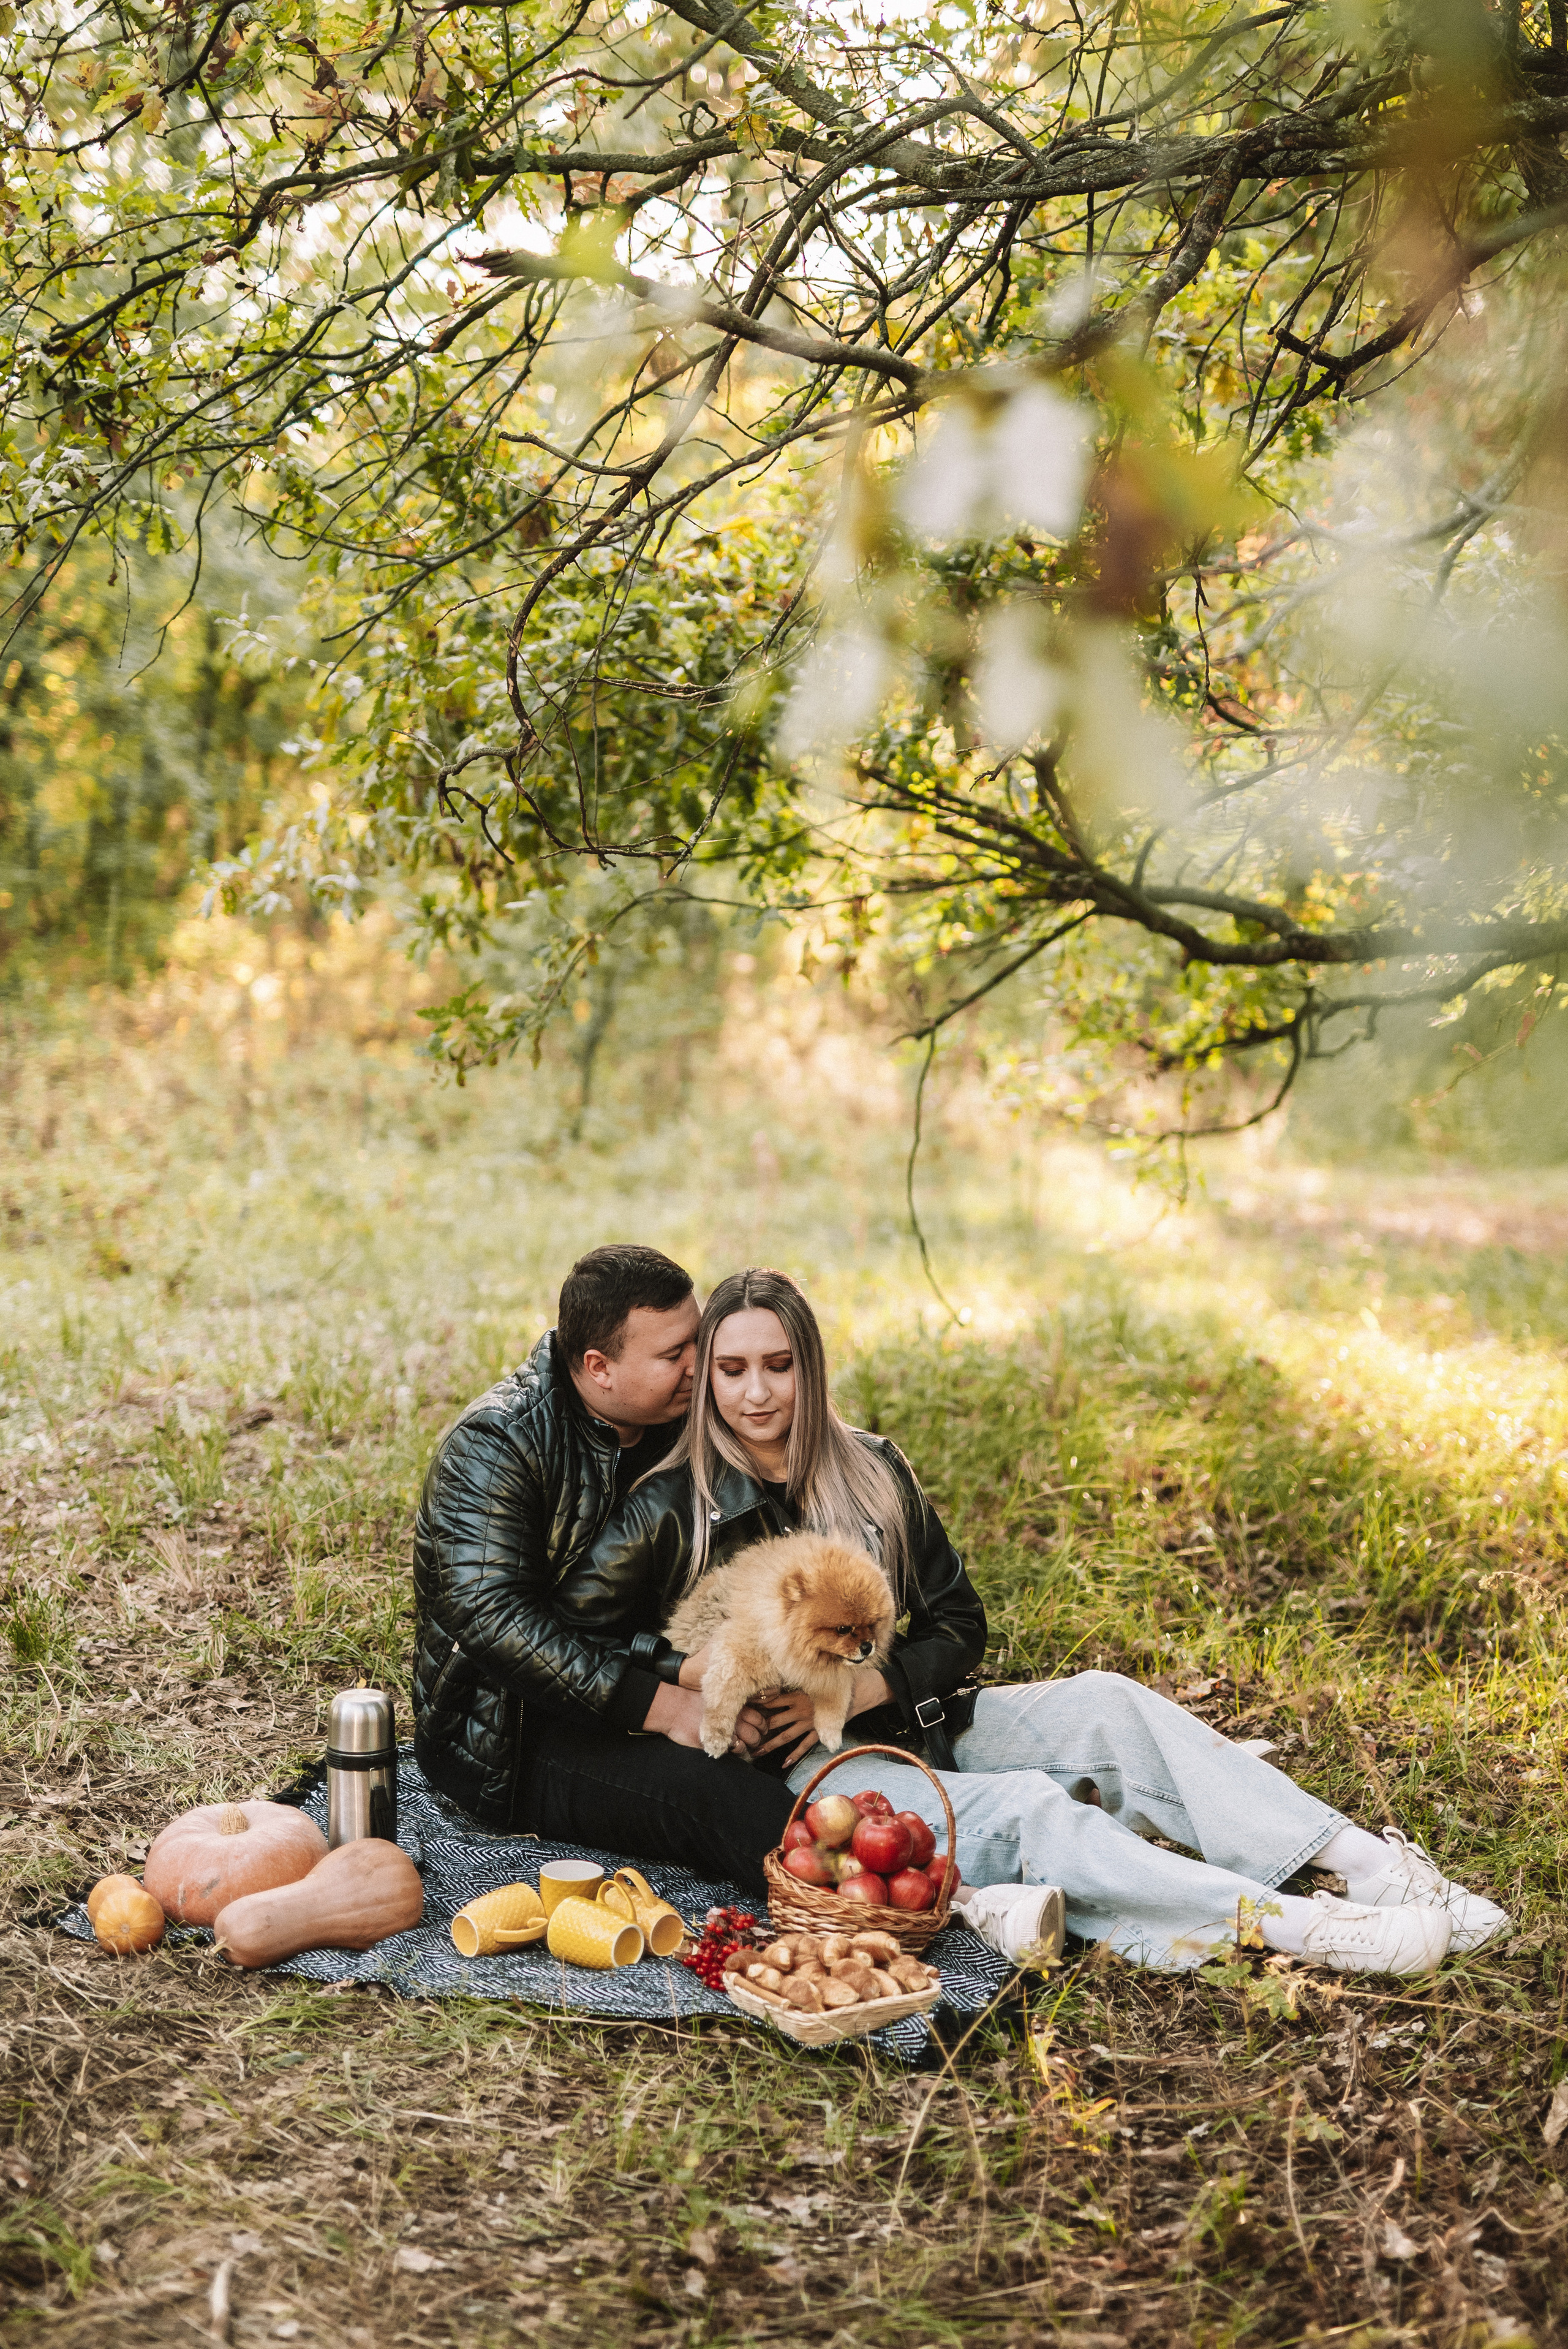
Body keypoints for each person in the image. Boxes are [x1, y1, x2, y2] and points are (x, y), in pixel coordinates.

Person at [586, 1267, 1512, 1976]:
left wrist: (875, 1682)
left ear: (809, 1366)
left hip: (913, 1715)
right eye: (733, 1370)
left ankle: (1367, 1863)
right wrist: (692, 1682)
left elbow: (958, 1622)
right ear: (707, 1377)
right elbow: (587, 1643)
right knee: (1030, 1811)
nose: (757, 1393)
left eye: (779, 1366)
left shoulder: (871, 1470)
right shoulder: (670, 1506)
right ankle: (1306, 1927)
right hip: (819, 1772)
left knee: (1109, 1700)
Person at [411, 1243, 797, 1888]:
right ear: (600, 1367)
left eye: (697, 1341)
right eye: (674, 1355)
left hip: (665, 1673)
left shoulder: (690, 1419)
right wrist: (668, 1707)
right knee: (725, 1800)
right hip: (515, 1732)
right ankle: (897, 1904)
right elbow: (492, 1618)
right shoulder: (497, 1444)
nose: (699, 1365)